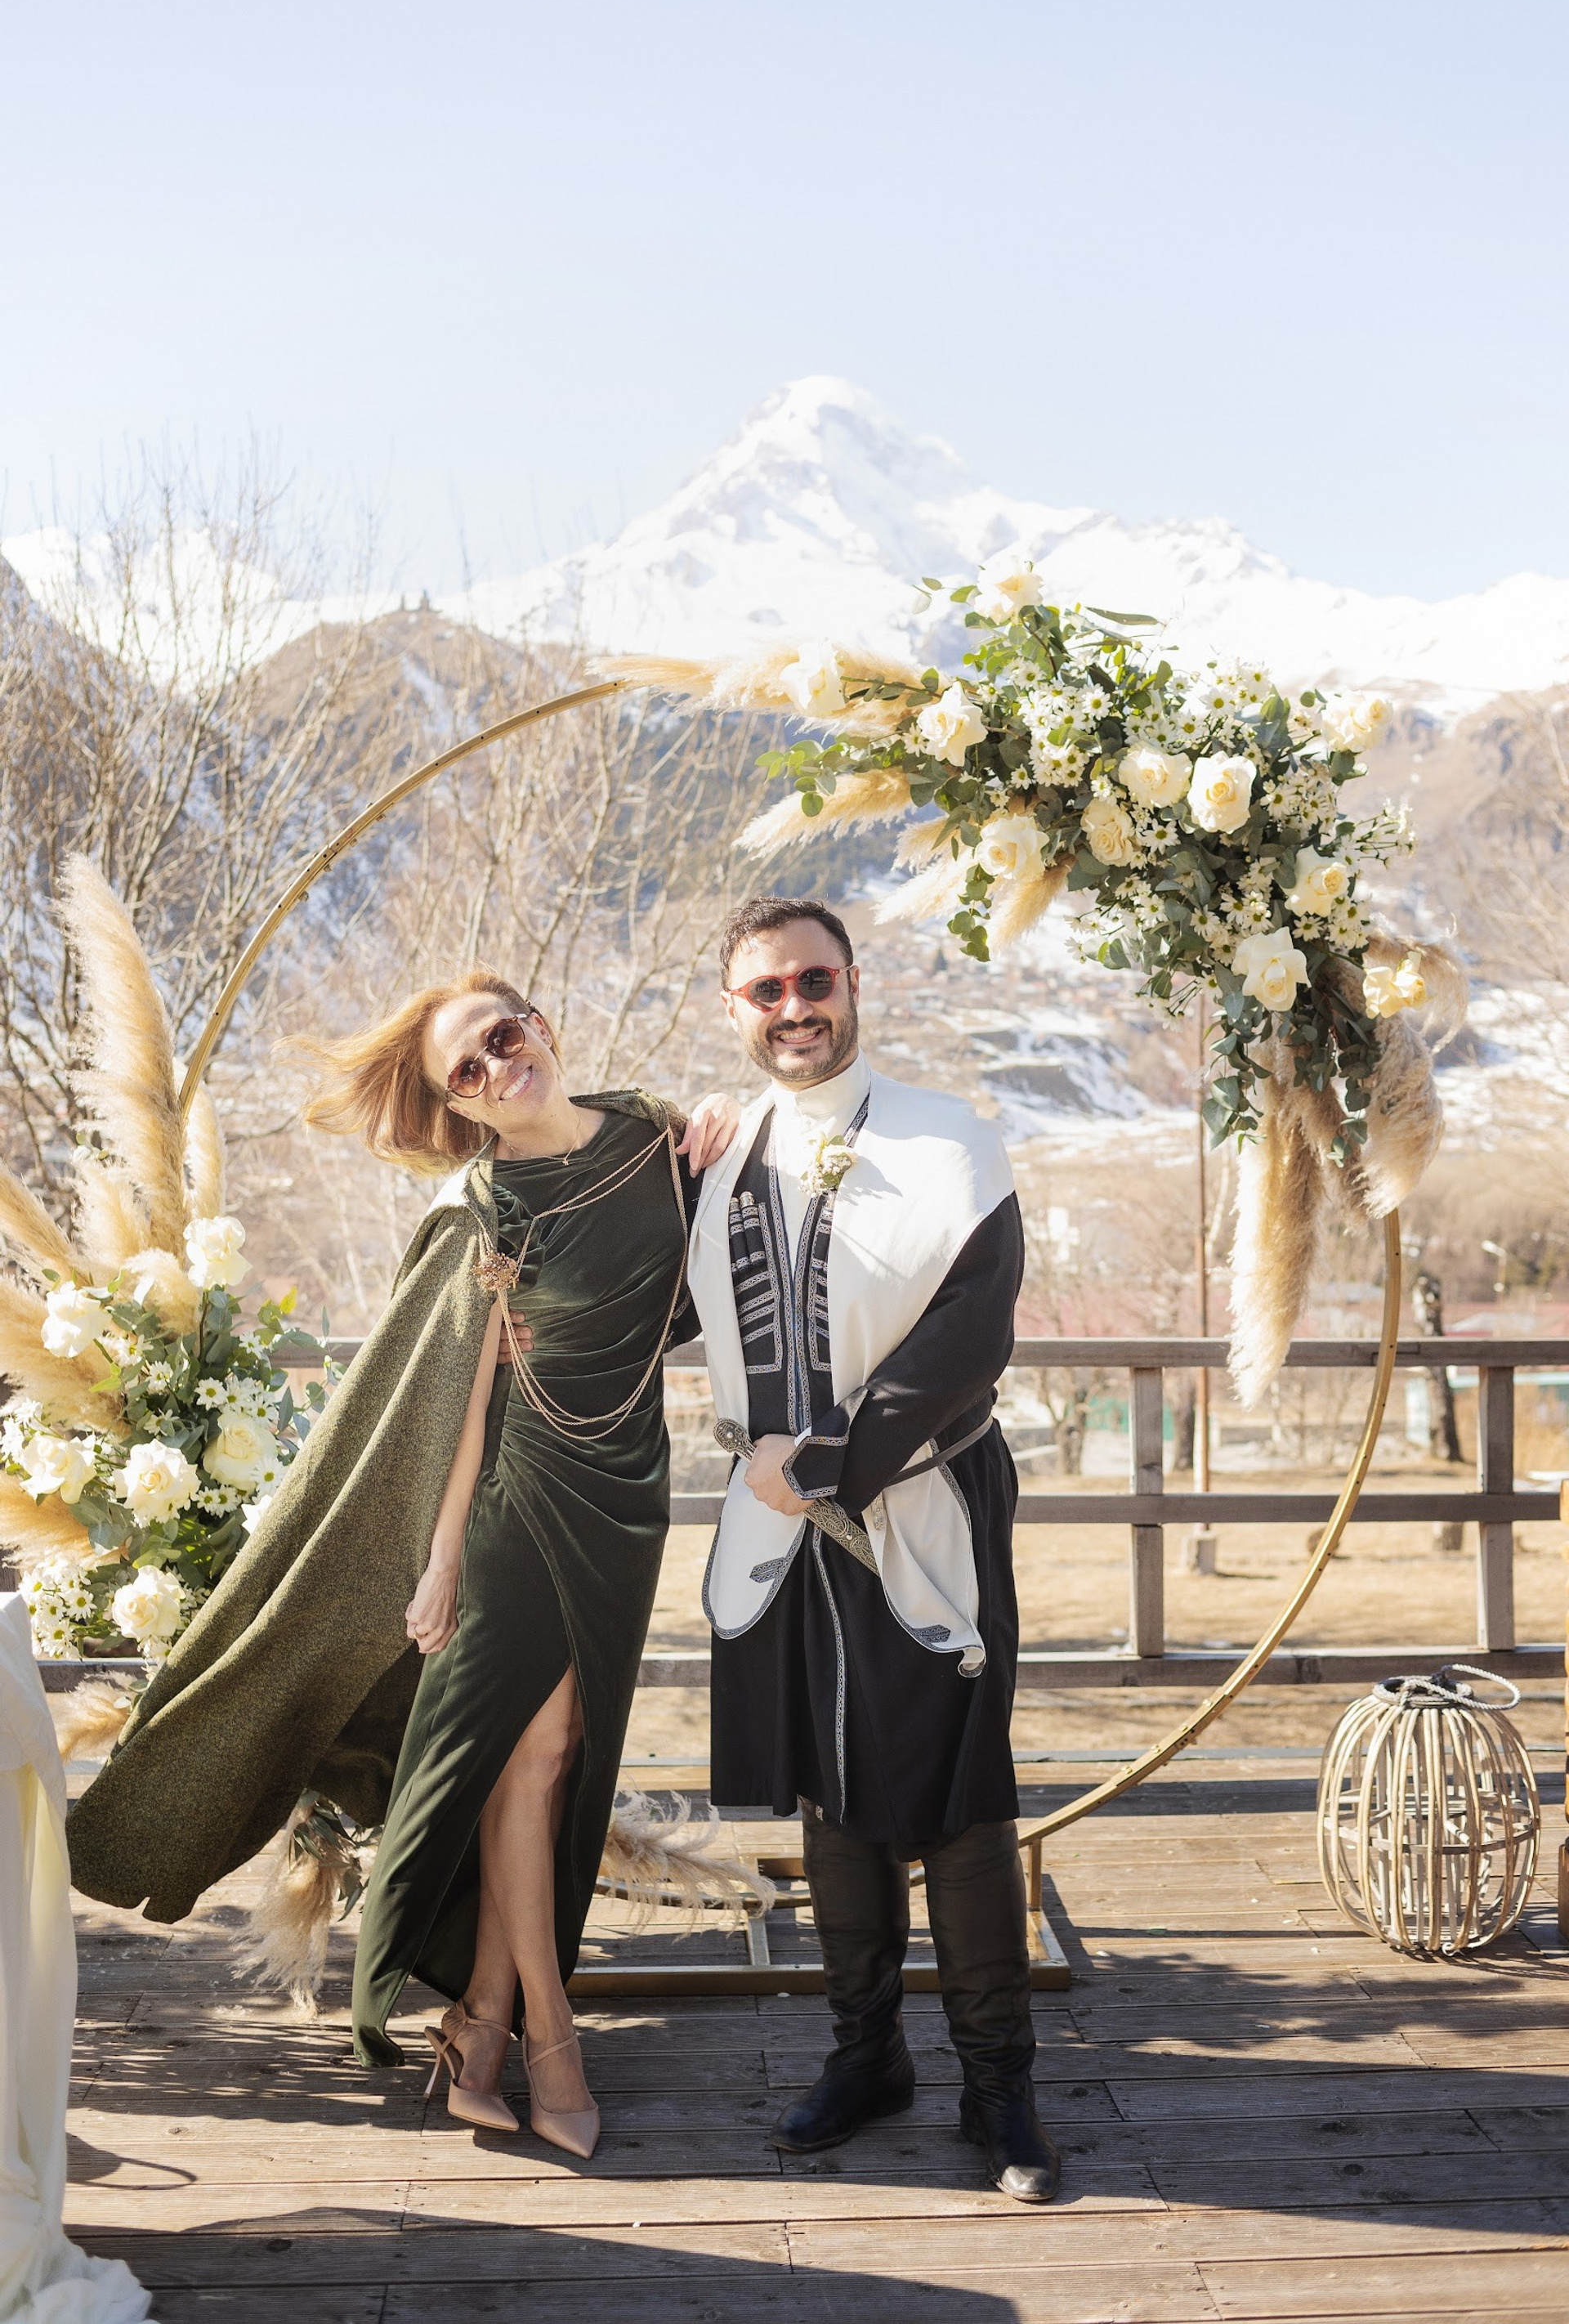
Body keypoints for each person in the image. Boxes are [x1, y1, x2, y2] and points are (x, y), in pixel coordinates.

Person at [67, 970, 736, 2157]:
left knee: (562, 1759)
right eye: (463, 1074)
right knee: (528, 1766)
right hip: (517, 1506)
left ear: (543, 1020)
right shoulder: (486, 1207)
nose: (493, 1069)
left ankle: (479, 2026)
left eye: (501, 1037)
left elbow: (683, 1290)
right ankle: (549, 2042)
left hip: (628, 1501)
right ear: (459, 1108)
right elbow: (450, 1401)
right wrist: (437, 1563)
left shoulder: (646, 1126)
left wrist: (719, 1146)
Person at [683, 895, 1060, 2204]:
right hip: (778, 1524)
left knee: (959, 1794)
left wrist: (831, 1461)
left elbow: (971, 1331)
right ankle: (867, 2058)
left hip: (924, 1502)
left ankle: (998, 2085)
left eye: (814, 981)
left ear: (855, 982)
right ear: (734, 1010)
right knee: (828, 1790)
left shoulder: (950, 1138)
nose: (796, 1009)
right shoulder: (718, 1155)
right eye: (767, 991)